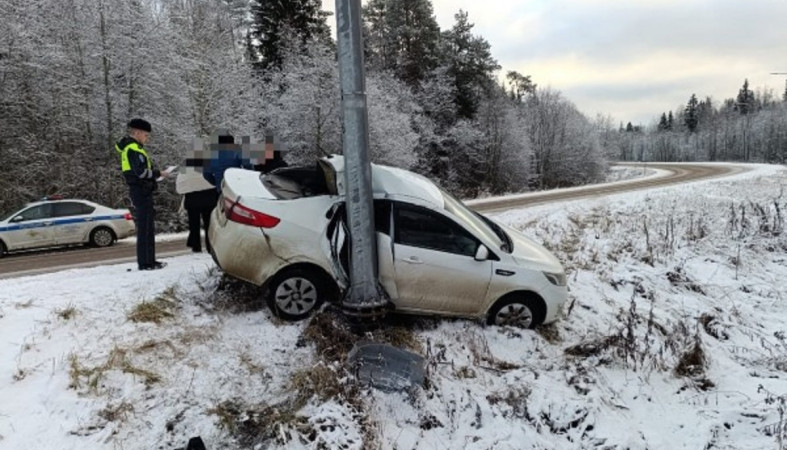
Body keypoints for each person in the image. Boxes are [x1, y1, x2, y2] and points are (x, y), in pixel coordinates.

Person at [115, 118, 172, 270]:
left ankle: (150, 260)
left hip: (143, 189)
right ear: (138, 132)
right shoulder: (133, 148)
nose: (147, 139)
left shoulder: (134, 148)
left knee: (148, 226)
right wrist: (158, 173)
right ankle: (146, 263)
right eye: (146, 135)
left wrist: (155, 177)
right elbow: (140, 172)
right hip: (140, 190)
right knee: (145, 227)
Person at [176, 164, 218, 253]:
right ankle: (210, 246)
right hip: (208, 197)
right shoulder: (209, 164)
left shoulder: (185, 167)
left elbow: (180, 184)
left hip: (192, 199)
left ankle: (196, 246)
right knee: (209, 224)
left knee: (194, 225)